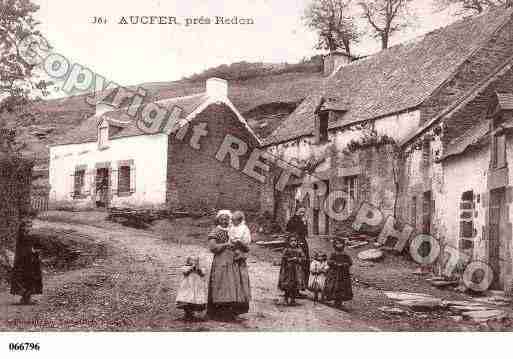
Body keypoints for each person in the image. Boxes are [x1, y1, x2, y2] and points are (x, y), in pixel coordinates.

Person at [207, 210, 251, 319]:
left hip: (235, 261)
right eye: (222, 219)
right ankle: (220, 312)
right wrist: (226, 244)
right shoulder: (216, 231)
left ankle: (233, 311)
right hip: (221, 261)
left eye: (226, 219)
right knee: (223, 285)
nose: (224, 221)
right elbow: (213, 247)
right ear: (218, 220)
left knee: (235, 285)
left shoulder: (234, 230)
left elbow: (245, 245)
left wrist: (241, 247)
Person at [10, 218, 43, 305]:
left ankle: (27, 297)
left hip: (32, 261)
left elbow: (37, 246)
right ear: (22, 227)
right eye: (26, 226)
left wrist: (36, 250)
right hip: (23, 261)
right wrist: (30, 250)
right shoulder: (21, 236)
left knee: (32, 277)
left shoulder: (32, 235)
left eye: (30, 226)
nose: (29, 228)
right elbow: (20, 249)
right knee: (24, 278)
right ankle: (24, 298)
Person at [323, 239, 353, 309]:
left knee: (342, 287)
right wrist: (335, 263)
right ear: (334, 245)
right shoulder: (333, 253)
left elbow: (350, 262)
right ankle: (334, 299)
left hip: (343, 274)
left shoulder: (345, 254)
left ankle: (339, 302)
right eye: (337, 244)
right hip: (334, 273)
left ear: (343, 245)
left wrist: (344, 264)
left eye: (340, 244)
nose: (339, 245)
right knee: (334, 286)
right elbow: (329, 261)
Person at [176, 256, 207, 321]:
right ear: (188, 261)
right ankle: (187, 314)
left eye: (196, 261)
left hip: (197, 286)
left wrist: (198, 269)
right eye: (192, 260)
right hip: (187, 286)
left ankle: (192, 314)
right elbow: (185, 272)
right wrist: (192, 267)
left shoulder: (200, 268)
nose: (194, 262)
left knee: (195, 299)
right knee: (186, 298)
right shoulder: (185, 267)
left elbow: (203, 274)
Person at [278, 237, 305, 306]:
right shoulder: (287, 250)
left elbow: (303, 258)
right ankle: (286, 299)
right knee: (288, 284)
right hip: (288, 270)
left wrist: (298, 259)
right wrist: (289, 259)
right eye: (291, 241)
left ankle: (293, 300)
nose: (293, 242)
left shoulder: (299, 250)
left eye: (295, 241)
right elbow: (283, 258)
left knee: (294, 285)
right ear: (289, 242)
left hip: (296, 270)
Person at [286, 207, 310, 286]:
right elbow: (289, 229)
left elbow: (305, 233)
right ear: (297, 211)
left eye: (304, 212)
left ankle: (303, 283)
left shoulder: (302, 220)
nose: (302, 214)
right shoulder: (293, 220)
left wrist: (305, 224)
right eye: (301, 212)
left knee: (304, 260)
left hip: (302, 241)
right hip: (295, 241)